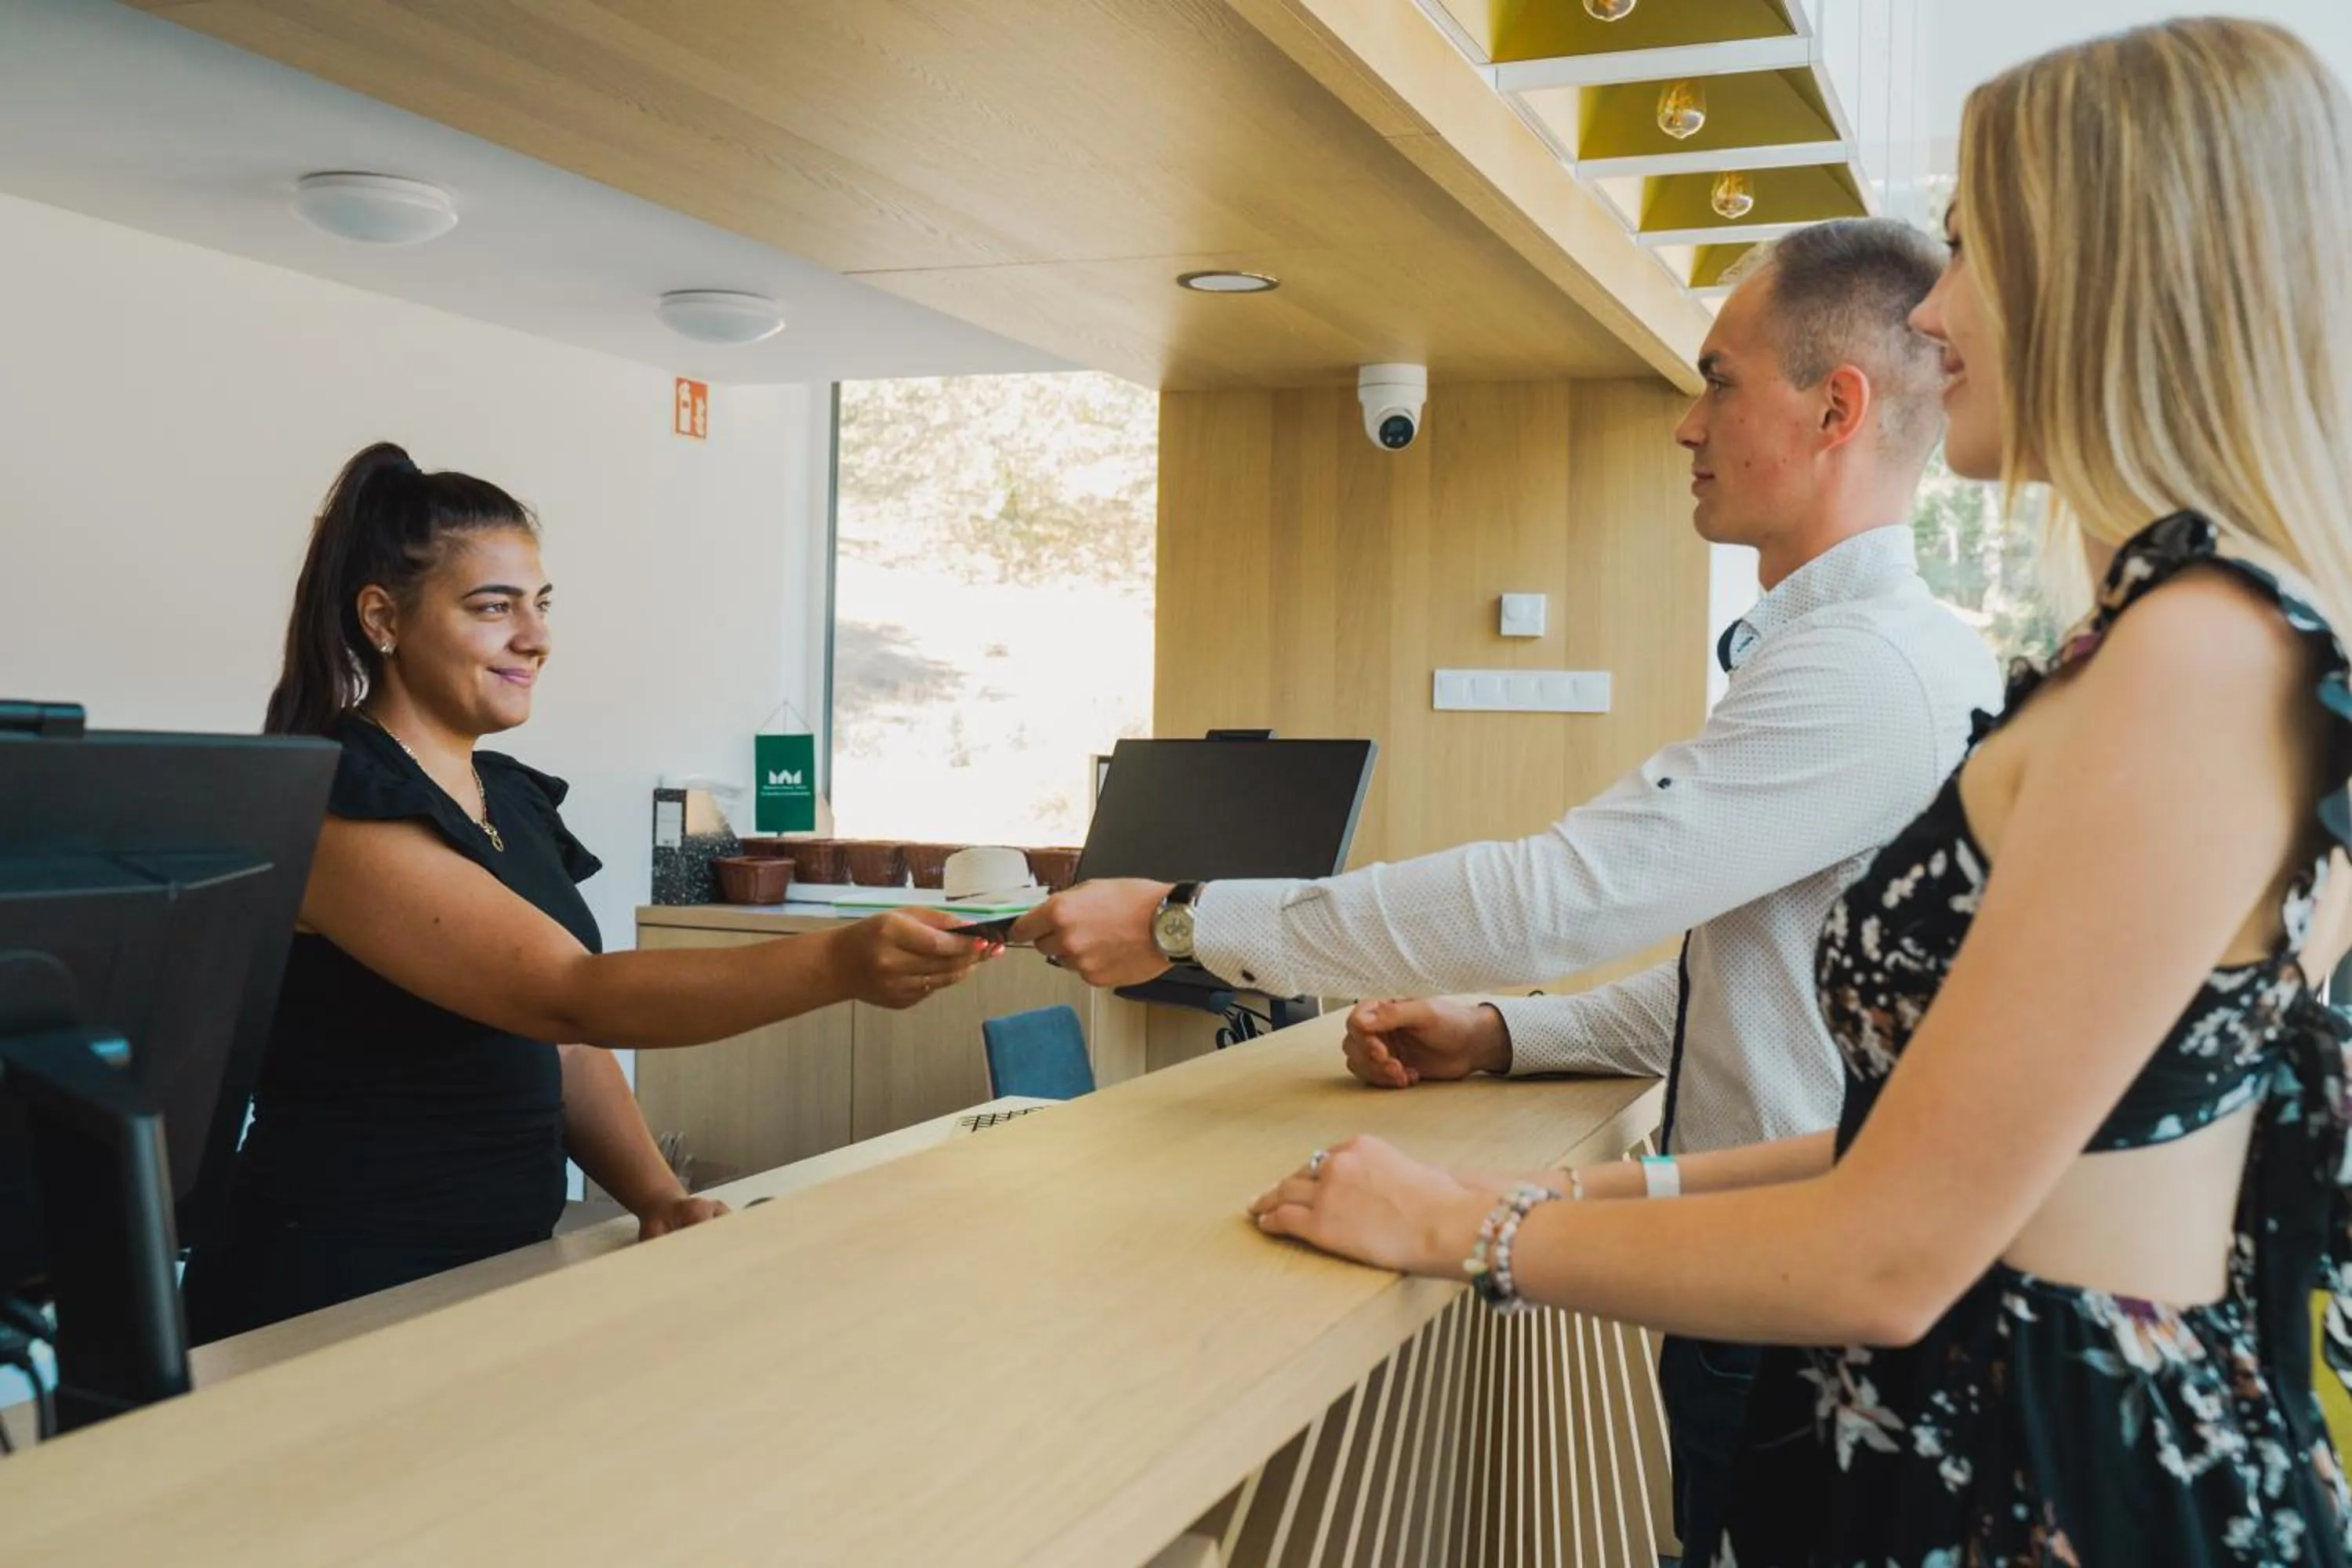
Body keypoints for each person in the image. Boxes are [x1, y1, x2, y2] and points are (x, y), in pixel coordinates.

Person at [1247, 16, 2352, 1563]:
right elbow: (1924, 1144)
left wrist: (1463, 1231)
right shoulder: (2171, 643)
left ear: (2109, 266)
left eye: (1969, 247)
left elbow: (1896, 1247)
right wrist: (1591, 1183)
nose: (1938, 307)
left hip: (2047, 1487)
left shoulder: (2201, 658)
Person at [1014, 218, 1998, 1560]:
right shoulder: (1867, 657)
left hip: (1795, 1310)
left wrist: (1188, 921)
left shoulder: (1865, 674)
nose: (1683, 426)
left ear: (1836, 407)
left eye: (1717, 378)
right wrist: (1500, 1033)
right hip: (1765, 1282)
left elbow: (1567, 897)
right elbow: (1756, 984)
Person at [180, 444, 993, 1343]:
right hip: (334, 1283)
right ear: (382, 617)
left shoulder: (512, 797)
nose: (536, 636)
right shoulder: (339, 804)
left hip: (503, 1263)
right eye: (494, 607)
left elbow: (567, 1043)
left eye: (540, 604)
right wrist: (838, 960)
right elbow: (565, 991)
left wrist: (658, 1196)